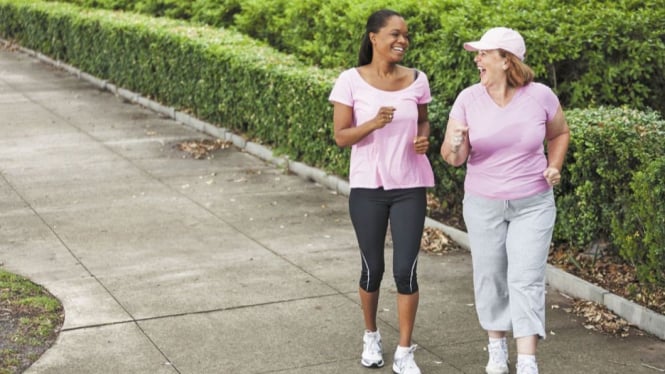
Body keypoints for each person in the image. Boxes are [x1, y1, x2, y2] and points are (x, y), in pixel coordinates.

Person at [440, 27, 570, 374]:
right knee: (491, 275)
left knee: (526, 278)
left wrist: (554, 165)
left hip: (533, 203)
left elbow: (559, 132)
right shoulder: (468, 99)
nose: (476, 59)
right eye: (478, 53)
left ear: (506, 60)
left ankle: (527, 360)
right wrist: (455, 142)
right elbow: (452, 158)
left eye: (484, 53)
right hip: (484, 203)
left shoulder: (540, 96)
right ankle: (497, 349)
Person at [328, 9, 434, 374]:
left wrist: (424, 139)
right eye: (394, 34)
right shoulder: (350, 81)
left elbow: (422, 118)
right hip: (368, 188)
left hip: (409, 186)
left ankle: (405, 351)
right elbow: (341, 137)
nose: (402, 41)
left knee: (406, 271)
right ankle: (370, 335)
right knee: (372, 269)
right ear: (373, 37)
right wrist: (373, 123)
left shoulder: (418, 79)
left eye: (405, 35)